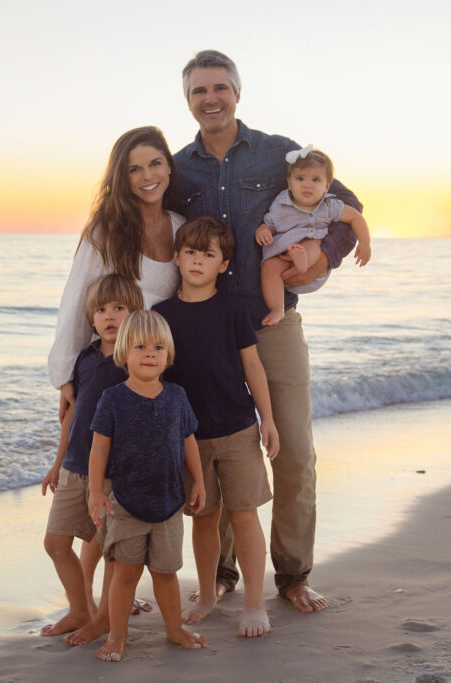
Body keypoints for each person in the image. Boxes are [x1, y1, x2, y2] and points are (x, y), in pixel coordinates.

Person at [172, 49, 371, 613]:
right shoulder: (177, 167)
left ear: (237, 92)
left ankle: (292, 575)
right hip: (204, 330)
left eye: (220, 88)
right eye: (198, 91)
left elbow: (347, 205)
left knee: (294, 453)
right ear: (187, 100)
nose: (210, 98)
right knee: (216, 448)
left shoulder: (278, 153)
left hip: (270, 321)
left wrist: (322, 251)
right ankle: (223, 575)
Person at [152, 217, 279, 638]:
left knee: (244, 515)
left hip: (238, 428)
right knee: (203, 518)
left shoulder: (233, 308)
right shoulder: (161, 315)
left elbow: (252, 365)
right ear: (176, 256)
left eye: (208, 255)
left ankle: (256, 604)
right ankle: (207, 595)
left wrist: (268, 420)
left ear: (223, 265)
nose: (197, 261)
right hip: (187, 437)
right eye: (190, 251)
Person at [87, 310, 208, 662]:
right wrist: (96, 492)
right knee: (124, 575)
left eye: (158, 347)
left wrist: (198, 480)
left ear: (168, 355)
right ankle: (117, 636)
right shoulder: (113, 398)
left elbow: (188, 440)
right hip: (126, 503)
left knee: (166, 574)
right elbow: (99, 448)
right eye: (140, 346)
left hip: (170, 504)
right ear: (124, 352)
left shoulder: (177, 396)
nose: (150, 353)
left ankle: (174, 628)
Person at [49, 126, 185, 421]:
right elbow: (77, 298)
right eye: (134, 169)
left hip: (165, 369)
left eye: (155, 164)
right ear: (122, 179)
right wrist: (64, 374)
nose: (147, 176)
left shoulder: (180, 226)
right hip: (114, 371)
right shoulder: (106, 230)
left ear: (169, 167)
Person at [40, 274, 143, 641]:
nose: (109, 316)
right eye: (101, 310)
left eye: (119, 308)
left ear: (135, 312)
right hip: (73, 467)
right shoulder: (84, 359)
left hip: (115, 475)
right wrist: (56, 464)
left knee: (113, 549)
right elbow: (72, 414)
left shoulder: (135, 359)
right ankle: (80, 609)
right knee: (55, 543)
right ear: (91, 318)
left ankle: (108, 621)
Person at [255, 146, 371, 326]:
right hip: (283, 253)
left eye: (315, 180)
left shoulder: (330, 206)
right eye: (300, 179)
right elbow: (269, 223)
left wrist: (364, 243)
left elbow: (355, 217)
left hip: (312, 258)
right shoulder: (282, 204)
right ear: (290, 182)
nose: (307, 184)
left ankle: (301, 260)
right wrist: (263, 231)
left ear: (326, 185)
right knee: (269, 267)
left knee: (313, 245)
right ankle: (277, 309)